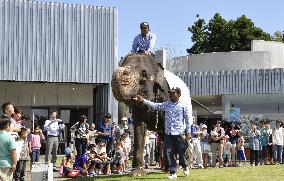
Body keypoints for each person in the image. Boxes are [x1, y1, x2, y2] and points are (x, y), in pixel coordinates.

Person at [133, 87, 192, 179]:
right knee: (169, 153)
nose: (171, 95)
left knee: (181, 152)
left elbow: (188, 120)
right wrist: (143, 100)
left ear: (179, 95)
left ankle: (185, 166)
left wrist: (188, 133)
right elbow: (155, 105)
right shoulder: (167, 104)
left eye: (173, 93)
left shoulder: (184, 105)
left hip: (179, 133)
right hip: (168, 133)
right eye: (170, 93)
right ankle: (173, 172)